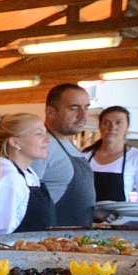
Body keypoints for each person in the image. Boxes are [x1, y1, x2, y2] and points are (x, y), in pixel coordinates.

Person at [0, 113, 53, 241]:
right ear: (14, 142)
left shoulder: (28, 174)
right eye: (39, 134)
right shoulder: (9, 180)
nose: (47, 139)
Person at [29, 83, 95, 226]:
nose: (83, 115)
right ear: (50, 112)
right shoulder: (41, 146)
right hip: (50, 237)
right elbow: (25, 200)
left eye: (86, 107)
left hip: (76, 236)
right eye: (73, 108)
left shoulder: (68, 144)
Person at [84, 106, 138, 206]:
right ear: (99, 126)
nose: (112, 128)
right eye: (106, 123)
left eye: (118, 123)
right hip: (85, 215)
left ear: (127, 127)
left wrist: (129, 213)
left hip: (118, 216)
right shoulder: (84, 156)